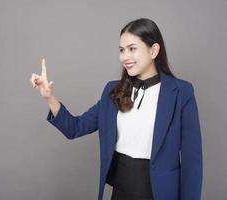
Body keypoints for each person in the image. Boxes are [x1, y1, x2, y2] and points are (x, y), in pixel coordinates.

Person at [30, 18, 203, 200]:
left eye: (132, 49)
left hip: (161, 193)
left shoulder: (181, 92)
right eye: (121, 50)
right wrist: (49, 97)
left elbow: (192, 162)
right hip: (121, 191)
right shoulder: (112, 91)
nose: (124, 57)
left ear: (154, 50)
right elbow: (75, 127)